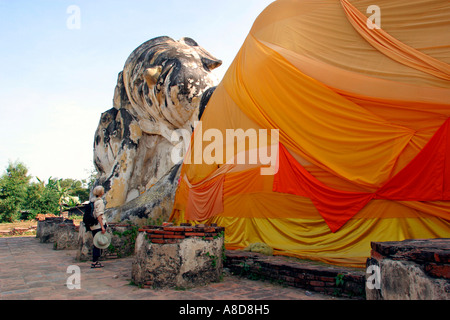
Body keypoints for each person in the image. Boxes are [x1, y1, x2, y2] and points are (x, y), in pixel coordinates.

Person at [90, 185, 107, 268]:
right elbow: (99, 215)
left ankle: (95, 260)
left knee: (96, 243)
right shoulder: (99, 202)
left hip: (93, 226)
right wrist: (102, 226)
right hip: (98, 226)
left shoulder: (94, 201)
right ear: (101, 192)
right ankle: (95, 261)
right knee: (98, 244)